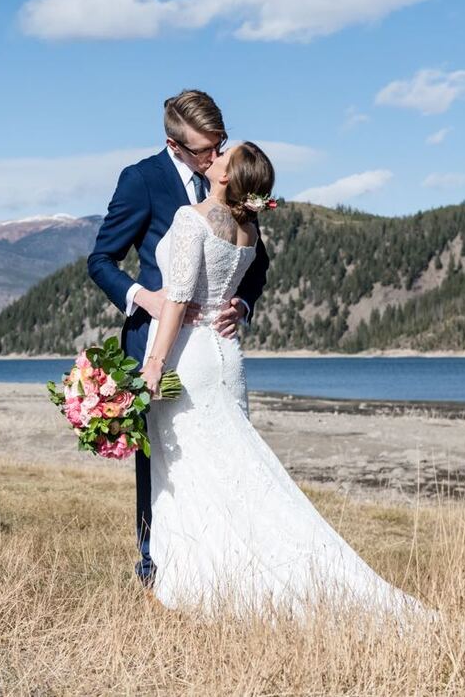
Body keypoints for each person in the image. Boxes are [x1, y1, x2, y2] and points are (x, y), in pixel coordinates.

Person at [139, 141, 423, 619]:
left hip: (193, 359)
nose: (215, 157)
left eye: (223, 158)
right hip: (228, 356)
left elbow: (179, 298)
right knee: (237, 474)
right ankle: (234, 577)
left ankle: (200, 586)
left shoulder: (195, 219)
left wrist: (153, 363)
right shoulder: (247, 228)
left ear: (228, 178)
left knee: (189, 473)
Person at [87, 89, 270, 586]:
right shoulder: (141, 180)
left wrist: (242, 303)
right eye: (204, 151)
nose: (214, 158)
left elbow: (258, 263)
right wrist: (142, 296)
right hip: (156, 342)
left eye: (220, 145)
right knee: (161, 466)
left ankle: (225, 569)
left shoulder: (230, 183)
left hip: (212, 347)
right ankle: (154, 570)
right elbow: (100, 260)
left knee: (222, 458)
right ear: (175, 144)